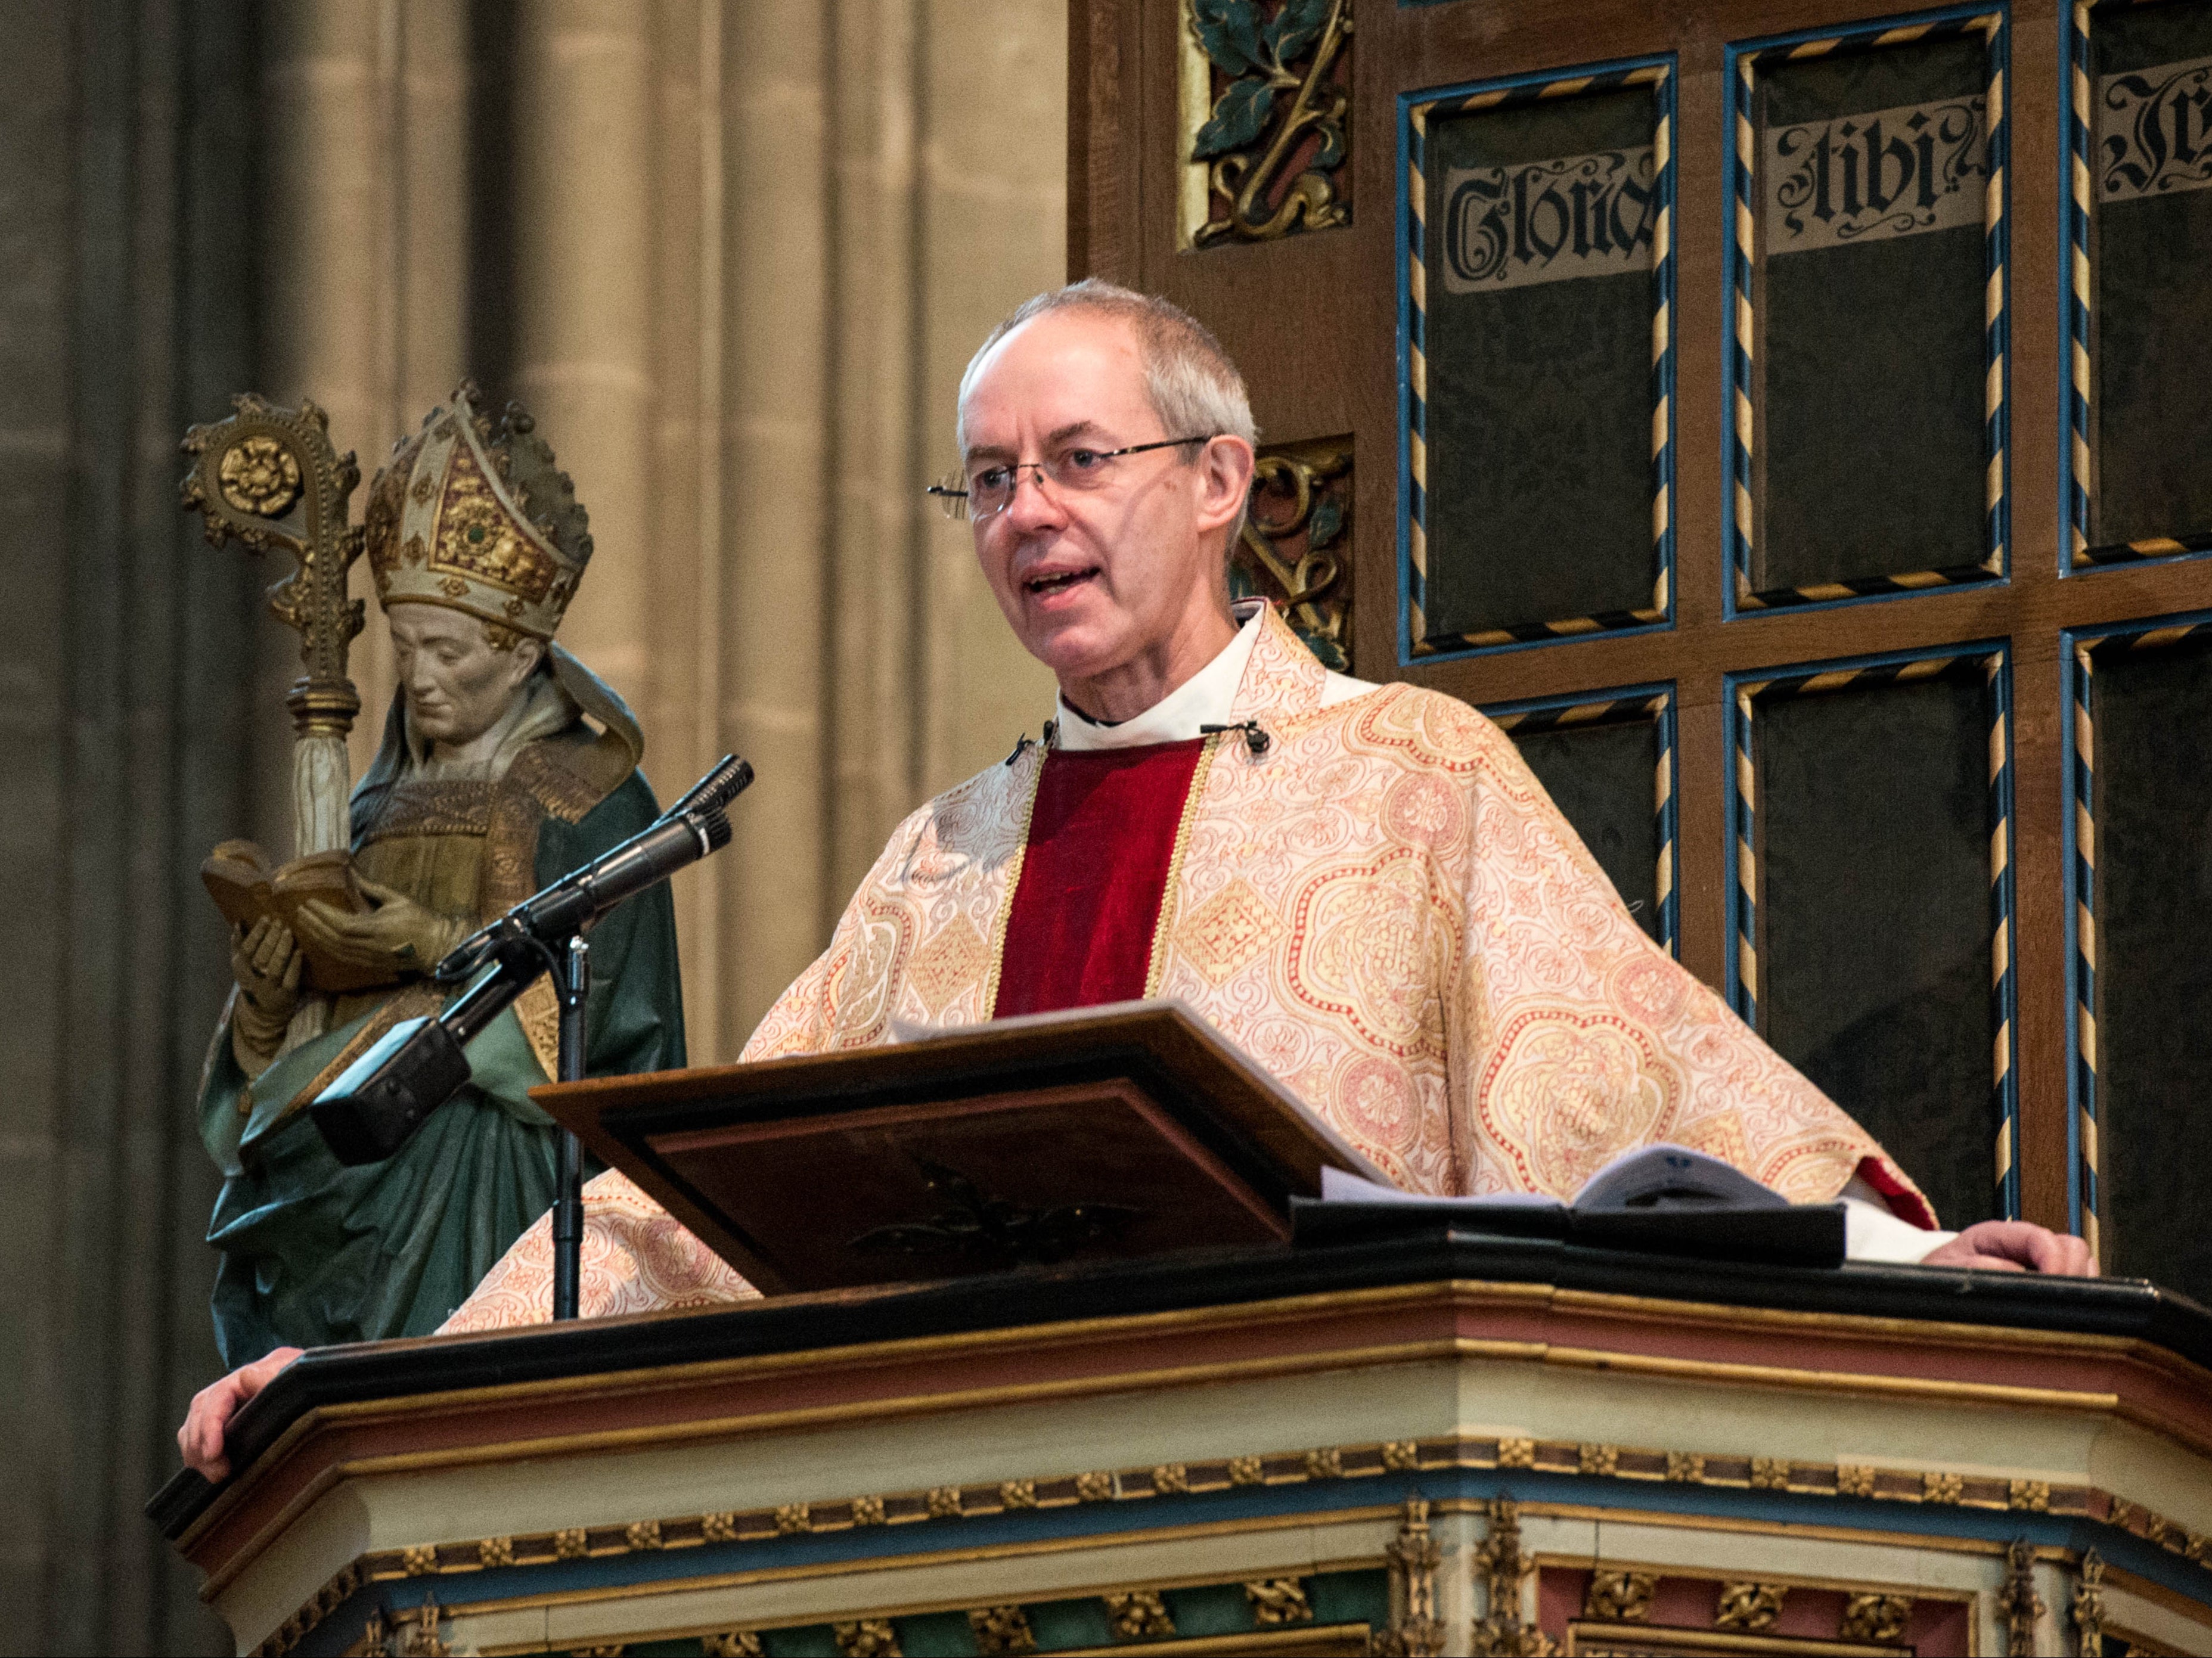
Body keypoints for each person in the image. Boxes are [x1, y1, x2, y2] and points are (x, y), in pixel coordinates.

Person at [179, 284, 2089, 1480]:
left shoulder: (1407, 774)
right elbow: (703, 1210)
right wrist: (370, 1380)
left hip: (1324, 1504)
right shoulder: (945, 856)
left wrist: (1907, 1259)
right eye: (989, 479)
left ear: (1220, 479)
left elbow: (1636, 1091)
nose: (1028, 514)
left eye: (1078, 458)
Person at [195, 386, 685, 1368]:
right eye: (407, 646)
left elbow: (617, 1057)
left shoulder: (593, 802)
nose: (419, 676)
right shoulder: (372, 806)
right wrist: (264, 1009)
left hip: (485, 1193)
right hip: (340, 1196)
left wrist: (430, 948)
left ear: (519, 653)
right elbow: (287, 1066)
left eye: (448, 652)